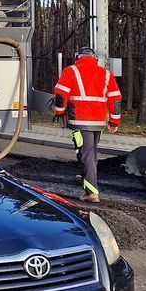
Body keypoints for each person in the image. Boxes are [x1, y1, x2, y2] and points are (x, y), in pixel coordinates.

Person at [53, 47, 122, 203]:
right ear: (95, 58)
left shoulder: (71, 71)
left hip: (79, 120)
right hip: (98, 122)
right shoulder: (106, 74)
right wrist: (114, 121)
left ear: (78, 57)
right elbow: (115, 98)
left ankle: (92, 193)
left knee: (86, 155)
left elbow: (61, 94)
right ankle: (87, 179)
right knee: (91, 154)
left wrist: (59, 112)